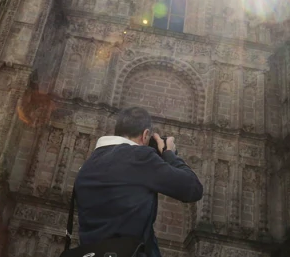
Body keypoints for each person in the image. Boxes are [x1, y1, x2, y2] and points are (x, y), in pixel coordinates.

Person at [74, 107, 203, 257]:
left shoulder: (87, 166)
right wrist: (169, 154)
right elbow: (192, 188)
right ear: (145, 134)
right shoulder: (139, 157)